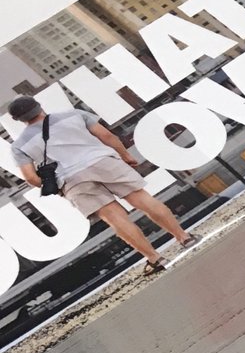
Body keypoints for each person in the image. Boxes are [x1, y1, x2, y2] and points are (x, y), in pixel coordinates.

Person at [8, 96, 199, 276]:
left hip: (72, 180)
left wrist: (59, 189)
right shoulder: (73, 115)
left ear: (18, 119)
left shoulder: (19, 146)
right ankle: (184, 237)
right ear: (39, 106)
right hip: (103, 161)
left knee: (115, 218)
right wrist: (125, 155)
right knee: (143, 200)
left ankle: (155, 258)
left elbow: (31, 178)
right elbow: (106, 136)